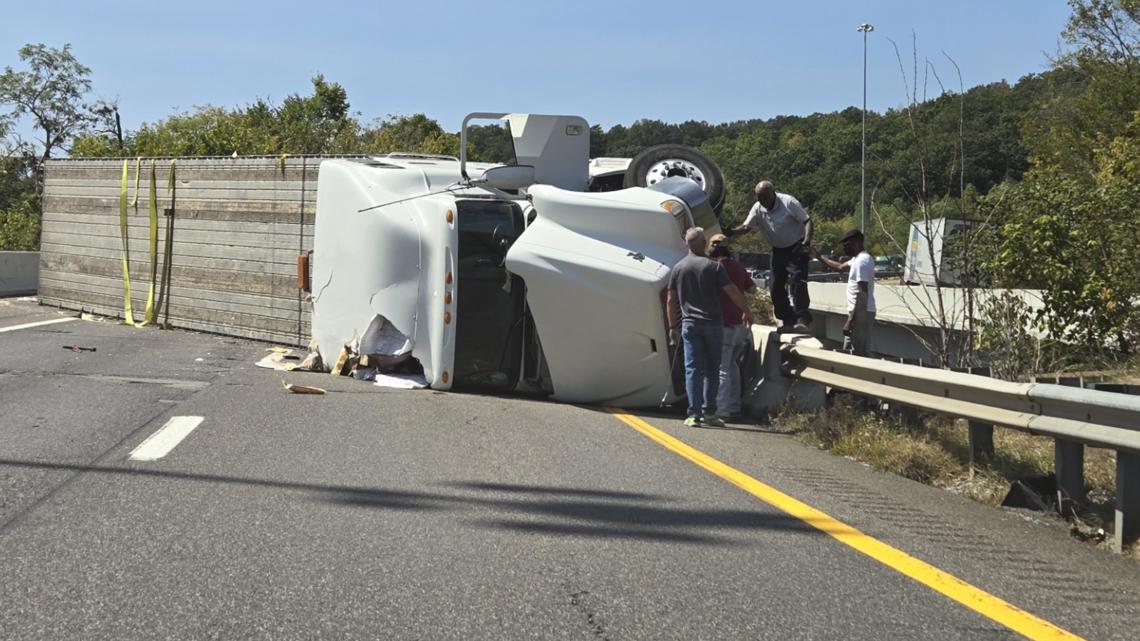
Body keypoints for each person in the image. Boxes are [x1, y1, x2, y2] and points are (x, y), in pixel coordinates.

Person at [667, 227, 754, 427]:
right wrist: (746, 311)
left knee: (693, 369)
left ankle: (693, 414)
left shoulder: (678, 268)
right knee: (712, 369)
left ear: (687, 245)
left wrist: (673, 326)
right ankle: (710, 412)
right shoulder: (713, 267)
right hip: (713, 324)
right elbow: (731, 291)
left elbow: (671, 299)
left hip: (689, 325)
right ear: (704, 244)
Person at [728, 181, 813, 332]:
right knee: (774, 287)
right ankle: (788, 319)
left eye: (766, 199)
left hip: (796, 248)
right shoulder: (758, 208)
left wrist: (806, 243)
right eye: (760, 199)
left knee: (797, 282)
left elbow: (807, 220)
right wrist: (730, 231)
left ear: (773, 193)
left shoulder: (788, 202)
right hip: (778, 251)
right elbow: (746, 227)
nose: (764, 203)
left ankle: (802, 319)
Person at [707, 233, 756, 420]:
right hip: (740, 323)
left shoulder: (713, 268)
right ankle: (735, 406)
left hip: (723, 323)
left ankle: (722, 410)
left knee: (721, 368)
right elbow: (752, 289)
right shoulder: (738, 267)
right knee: (733, 365)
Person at [813, 229, 876, 355]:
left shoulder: (861, 262)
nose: (844, 248)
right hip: (858, 313)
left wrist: (851, 320)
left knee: (859, 353)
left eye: (846, 245)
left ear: (856, 243)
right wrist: (819, 256)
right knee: (849, 350)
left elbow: (863, 293)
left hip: (861, 314)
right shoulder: (859, 259)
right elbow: (840, 267)